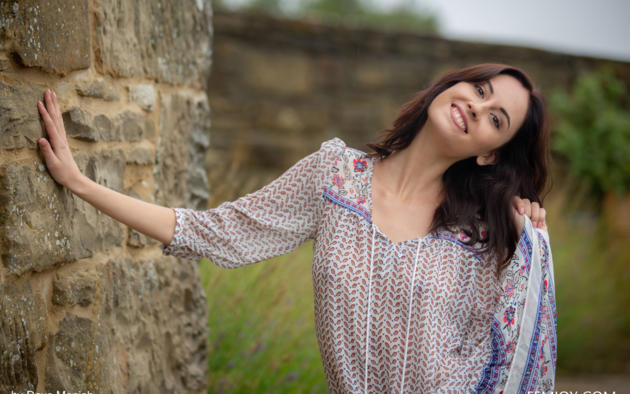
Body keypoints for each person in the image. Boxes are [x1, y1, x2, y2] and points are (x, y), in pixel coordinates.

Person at [36, 63, 556, 393]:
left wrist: (532, 236)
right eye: (480, 88)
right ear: (452, 85)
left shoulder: (495, 235)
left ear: (490, 153)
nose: (477, 104)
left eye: (496, 118)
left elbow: (521, 358)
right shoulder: (335, 178)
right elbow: (212, 231)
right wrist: (80, 184)